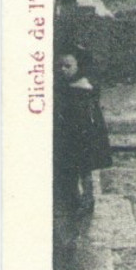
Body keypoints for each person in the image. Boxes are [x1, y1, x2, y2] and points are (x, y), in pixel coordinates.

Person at [54, 47, 112, 235]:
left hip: (83, 134)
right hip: (66, 134)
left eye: (68, 66)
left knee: (84, 170)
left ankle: (87, 200)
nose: (63, 69)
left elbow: (90, 95)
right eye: (60, 66)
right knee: (70, 170)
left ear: (77, 66)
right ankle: (75, 201)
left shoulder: (85, 84)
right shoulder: (62, 84)